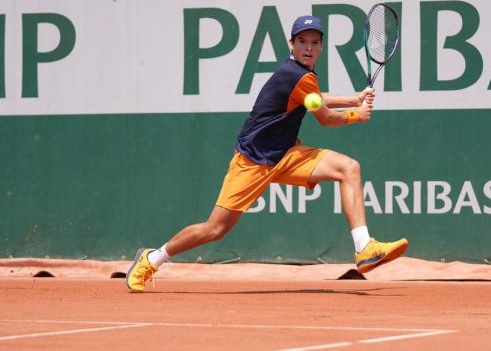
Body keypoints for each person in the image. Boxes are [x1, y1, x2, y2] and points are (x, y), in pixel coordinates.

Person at [126, 15, 408, 292]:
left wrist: (353, 97)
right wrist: (355, 114)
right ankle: (151, 258)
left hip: (285, 155)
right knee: (214, 229)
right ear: (291, 44)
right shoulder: (294, 75)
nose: (308, 48)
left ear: (321, 47)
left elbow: (313, 97)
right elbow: (324, 117)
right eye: (302, 42)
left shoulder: (303, 76)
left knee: (348, 168)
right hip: (253, 161)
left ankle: (364, 247)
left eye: (314, 42)